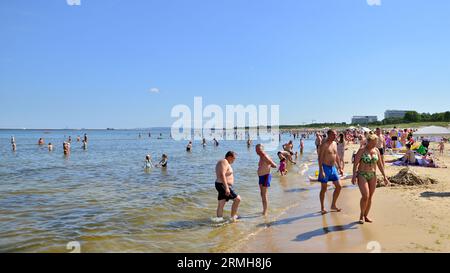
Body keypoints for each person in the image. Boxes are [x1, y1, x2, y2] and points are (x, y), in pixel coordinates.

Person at [352, 132, 390, 224]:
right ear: (368, 141)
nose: (374, 144)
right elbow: (355, 164)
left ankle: (366, 216)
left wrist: (385, 176)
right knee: (365, 196)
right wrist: (354, 175)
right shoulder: (362, 150)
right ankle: (361, 216)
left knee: (370, 197)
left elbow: (380, 164)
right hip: (362, 174)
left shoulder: (376, 150)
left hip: (373, 175)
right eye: (373, 142)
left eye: (375, 142)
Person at [317, 130, 344, 215]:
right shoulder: (324, 145)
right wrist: (321, 171)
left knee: (339, 186)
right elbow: (320, 158)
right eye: (333, 134)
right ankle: (322, 207)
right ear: (329, 135)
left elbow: (336, 156)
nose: (335, 136)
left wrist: (340, 167)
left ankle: (333, 205)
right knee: (324, 189)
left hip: (333, 168)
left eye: (336, 134)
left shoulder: (335, 144)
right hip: (325, 167)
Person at [215, 151, 241, 221]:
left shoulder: (224, 162)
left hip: (220, 184)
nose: (234, 160)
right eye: (234, 158)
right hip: (223, 184)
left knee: (221, 202)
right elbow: (222, 174)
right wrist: (226, 188)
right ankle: (233, 217)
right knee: (237, 199)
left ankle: (219, 220)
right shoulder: (224, 161)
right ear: (229, 157)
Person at [257, 144, 277, 216]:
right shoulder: (261, 156)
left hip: (266, 176)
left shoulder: (265, 156)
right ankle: (264, 209)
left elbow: (274, 165)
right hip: (261, 177)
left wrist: (270, 165)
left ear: (262, 149)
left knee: (264, 194)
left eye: (259, 149)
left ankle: (265, 212)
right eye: (256, 149)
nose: (257, 151)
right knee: (262, 194)